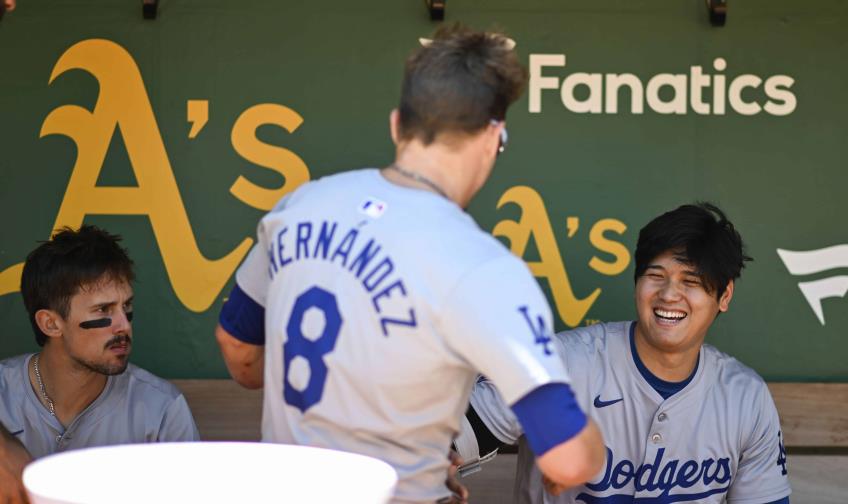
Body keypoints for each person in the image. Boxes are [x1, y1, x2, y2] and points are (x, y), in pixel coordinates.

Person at [215, 24, 605, 503]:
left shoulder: (300, 206)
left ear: (398, 125)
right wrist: (593, 447)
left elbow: (239, 352)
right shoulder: (483, 266)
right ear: (494, 138)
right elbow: (567, 458)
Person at [457, 203, 792, 503]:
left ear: (724, 295)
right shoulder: (562, 364)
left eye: (691, 281)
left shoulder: (746, 399)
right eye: (655, 276)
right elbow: (446, 440)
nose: (669, 294)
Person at [0, 226, 199, 489]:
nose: (124, 326)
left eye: (126, 307)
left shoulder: (161, 410)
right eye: (103, 309)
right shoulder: (4, 393)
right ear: (50, 324)